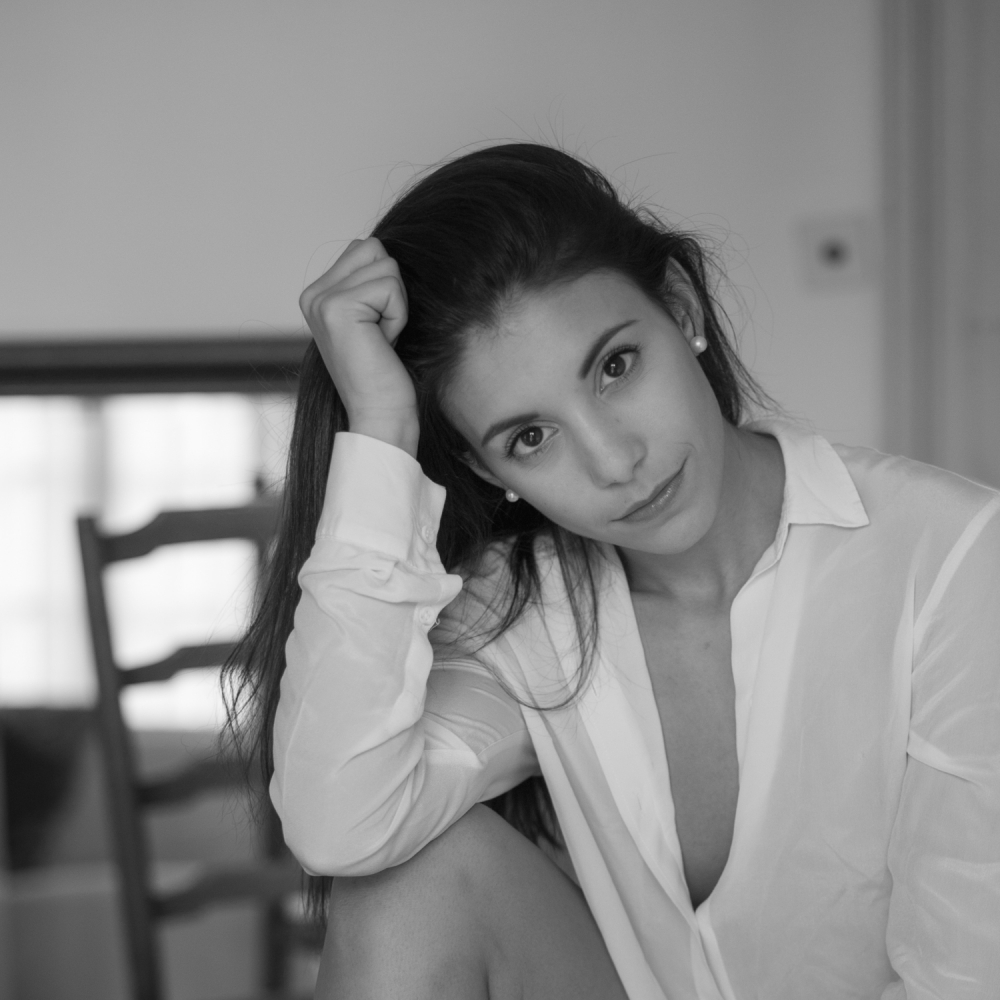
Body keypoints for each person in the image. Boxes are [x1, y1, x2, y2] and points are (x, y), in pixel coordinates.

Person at [226, 144, 1000, 1000]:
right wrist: (380, 429)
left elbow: (966, 975)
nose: (615, 460)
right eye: (530, 437)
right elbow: (341, 825)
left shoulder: (952, 554)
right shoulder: (518, 605)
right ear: (488, 470)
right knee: (398, 890)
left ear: (681, 307)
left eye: (615, 367)